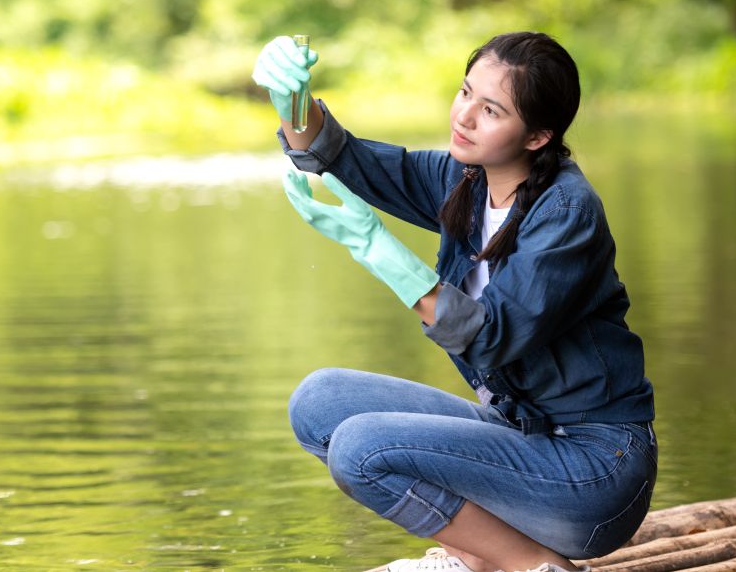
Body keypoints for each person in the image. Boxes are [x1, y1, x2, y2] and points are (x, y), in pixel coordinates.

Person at [251, 32, 657, 572]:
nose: (464, 116)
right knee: (318, 402)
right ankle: (477, 556)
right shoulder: (465, 178)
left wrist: (378, 251)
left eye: (491, 109)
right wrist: (293, 102)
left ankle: (530, 565)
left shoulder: (566, 212)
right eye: (466, 93)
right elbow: (348, 159)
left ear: (537, 135)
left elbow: (491, 336)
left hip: (595, 473)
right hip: (522, 434)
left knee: (360, 449)